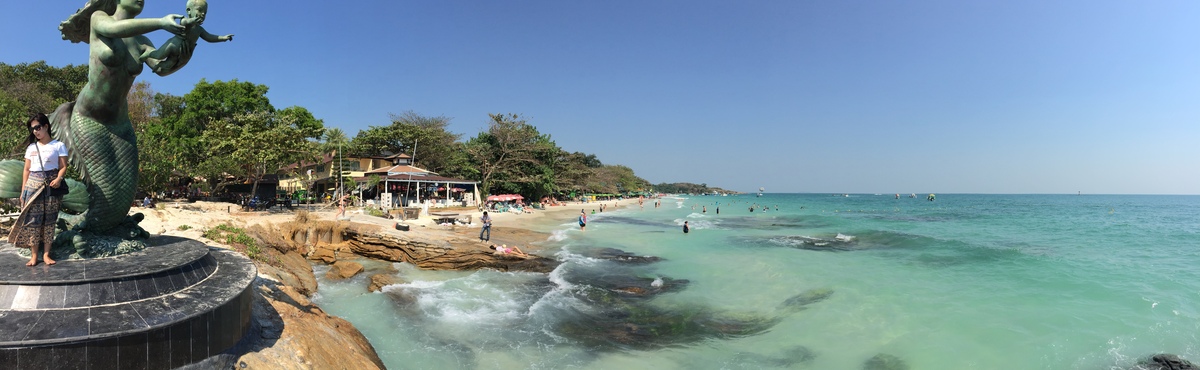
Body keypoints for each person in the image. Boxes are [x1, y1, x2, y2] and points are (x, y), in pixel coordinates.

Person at [11, 114, 69, 266]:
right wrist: (23, 191)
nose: (35, 131)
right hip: (32, 186)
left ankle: (47, 255)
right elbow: (26, 170)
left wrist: (58, 179)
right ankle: (34, 256)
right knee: (33, 221)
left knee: (49, 220)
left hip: (51, 187)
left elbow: (63, 167)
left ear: (46, 126)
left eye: (37, 127)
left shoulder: (58, 145)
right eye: (32, 129)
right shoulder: (31, 147)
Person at [139, 0, 233, 76]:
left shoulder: (200, 30)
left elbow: (209, 37)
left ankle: (157, 66)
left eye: (205, 12)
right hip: (173, 44)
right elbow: (184, 23)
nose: (203, 14)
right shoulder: (185, 20)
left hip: (179, 54)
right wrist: (193, 20)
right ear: (189, 10)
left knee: (168, 64)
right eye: (200, 10)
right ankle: (148, 53)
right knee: (159, 55)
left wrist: (223, 38)